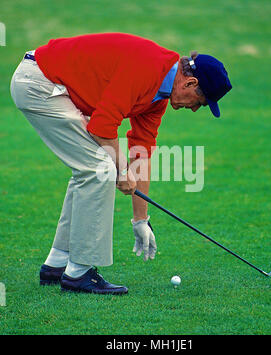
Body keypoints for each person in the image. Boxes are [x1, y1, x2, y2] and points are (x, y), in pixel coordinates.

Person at [10, 33, 232, 295]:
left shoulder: (158, 97)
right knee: (98, 169)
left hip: (47, 83)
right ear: (191, 82)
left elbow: (142, 152)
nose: (195, 109)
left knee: (93, 168)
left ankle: (57, 264)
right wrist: (122, 169)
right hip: (39, 82)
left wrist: (141, 219)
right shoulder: (149, 67)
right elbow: (102, 126)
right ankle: (78, 273)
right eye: (201, 102)